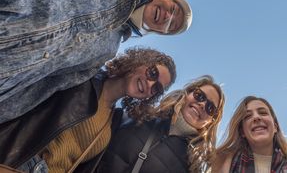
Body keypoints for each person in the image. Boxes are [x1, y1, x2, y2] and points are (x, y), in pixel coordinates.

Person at [0, 0, 192, 123]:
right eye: (173, 9)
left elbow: (46, 84)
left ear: (161, 32)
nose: (168, 17)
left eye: (171, 26)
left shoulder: (107, 50)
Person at [0, 47, 176, 173]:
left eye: (157, 89)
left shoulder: (114, 120)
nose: (150, 84)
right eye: (152, 74)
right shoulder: (84, 77)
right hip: (17, 163)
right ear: (140, 62)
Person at [97, 75, 225, 173]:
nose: (202, 105)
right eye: (199, 95)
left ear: (210, 122)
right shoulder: (140, 114)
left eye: (210, 108)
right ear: (188, 93)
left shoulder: (193, 165)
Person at [213, 96, 287, 172]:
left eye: (263, 113)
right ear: (242, 132)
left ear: (275, 127)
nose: (256, 117)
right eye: (248, 116)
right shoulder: (222, 162)